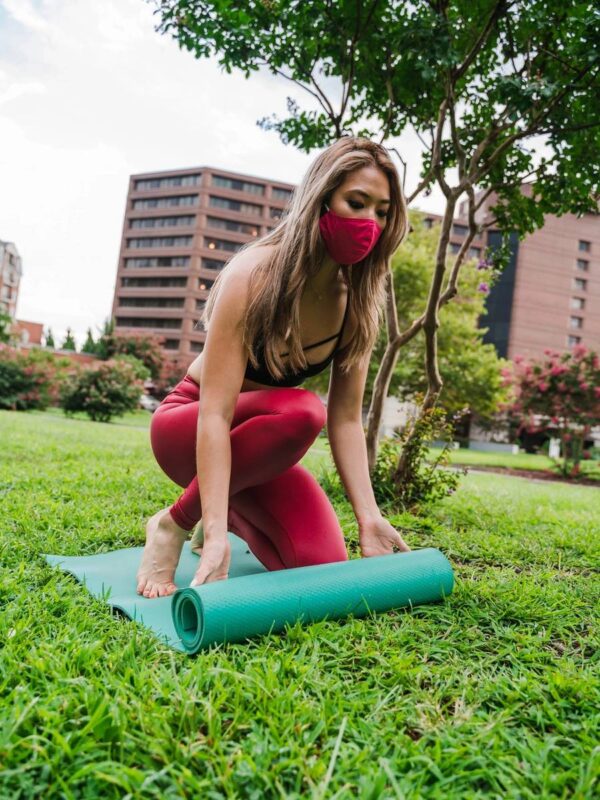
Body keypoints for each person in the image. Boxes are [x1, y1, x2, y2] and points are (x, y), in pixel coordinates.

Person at [136, 136, 412, 599]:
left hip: (256, 456)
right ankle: (174, 522)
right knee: (302, 412)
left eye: (382, 212)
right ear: (321, 200)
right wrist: (213, 530)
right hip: (190, 427)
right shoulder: (254, 276)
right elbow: (216, 415)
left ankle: (228, 508)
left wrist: (369, 517)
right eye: (356, 203)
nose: (369, 222)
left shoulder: (358, 303)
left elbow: (346, 420)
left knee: (318, 567)